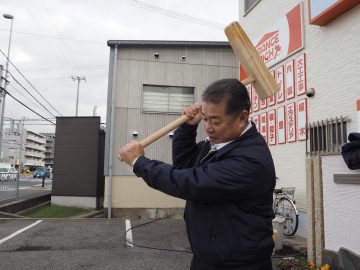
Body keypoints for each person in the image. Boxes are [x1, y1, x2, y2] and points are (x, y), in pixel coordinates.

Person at [119, 78, 276, 270]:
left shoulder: (250, 159)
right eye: (205, 119)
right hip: (207, 258)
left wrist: (139, 163)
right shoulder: (217, 146)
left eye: (216, 121)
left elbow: (191, 183)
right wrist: (187, 127)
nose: (208, 127)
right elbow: (185, 165)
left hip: (238, 264)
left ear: (242, 118)